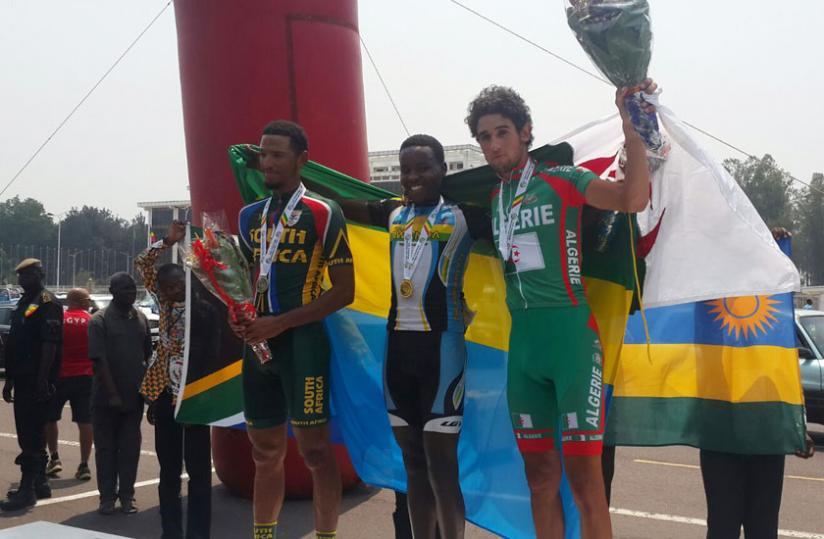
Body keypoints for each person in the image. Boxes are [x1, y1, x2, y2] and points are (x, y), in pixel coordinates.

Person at [465, 80, 657, 538]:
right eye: (485, 137)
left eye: (502, 132)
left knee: (586, 482)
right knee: (539, 480)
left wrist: (632, 126)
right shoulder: (495, 199)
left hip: (571, 343)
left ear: (526, 132)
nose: (493, 145)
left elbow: (632, 200)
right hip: (525, 351)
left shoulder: (561, 180)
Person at [312, 134, 490, 539]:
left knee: (442, 466)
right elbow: (338, 203)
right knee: (413, 464)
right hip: (398, 355)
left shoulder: (466, 216)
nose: (413, 177)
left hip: (443, 354)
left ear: (444, 170)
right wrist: (300, 178)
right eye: (406, 169)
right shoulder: (391, 213)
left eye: (423, 168)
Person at [232, 120, 355, 539]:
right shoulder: (249, 216)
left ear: (301, 159)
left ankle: (325, 536)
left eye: (277, 155)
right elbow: (247, 282)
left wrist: (279, 322)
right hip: (258, 348)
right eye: (263, 154)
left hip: (303, 344)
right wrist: (240, 314)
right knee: (264, 453)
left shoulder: (323, 212)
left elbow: (344, 292)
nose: (267, 163)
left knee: (317, 453)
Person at [136, 221, 217, 539]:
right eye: (164, 288)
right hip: (164, 394)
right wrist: (168, 241)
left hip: (196, 395)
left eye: (175, 287)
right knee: (168, 471)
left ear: (186, 283)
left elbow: (212, 354)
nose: (169, 293)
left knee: (198, 473)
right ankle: (170, 532)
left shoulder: (205, 310)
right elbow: (142, 262)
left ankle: (199, 534)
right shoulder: (164, 306)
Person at [0, 259, 62, 511]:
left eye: (29, 274)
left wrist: (42, 380)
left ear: (40, 274)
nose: (23, 279)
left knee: (31, 435)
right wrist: (10, 380)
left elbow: (49, 344)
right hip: (23, 377)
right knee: (30, 431)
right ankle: (39, 483)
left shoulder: (47, 303)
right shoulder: (27, 302)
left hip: (36, 380)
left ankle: (27, 491)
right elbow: (16, 343)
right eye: (21, 275)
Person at [88, 272, 152, 515]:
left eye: (133, 288)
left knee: (130, 450)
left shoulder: (141, 318)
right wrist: (113, 394)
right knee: (106, 450)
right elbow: (99, 361)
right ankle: (106, 497)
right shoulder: (99, 320)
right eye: (125, 288)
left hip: (133, 399)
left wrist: (149, 394)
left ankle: (127, 496)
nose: (131, 292)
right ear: (113, 291)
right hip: (106, 400)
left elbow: (147, 357)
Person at [45, 288, 94, 482]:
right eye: (88, 300)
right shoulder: (92, 321)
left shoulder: (61, 319)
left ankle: (54, 457)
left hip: (60, 375)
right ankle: (84, 465)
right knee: (85, 421)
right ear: (82, 301)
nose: (90, 303)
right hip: (86, 376)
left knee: (50, 418)